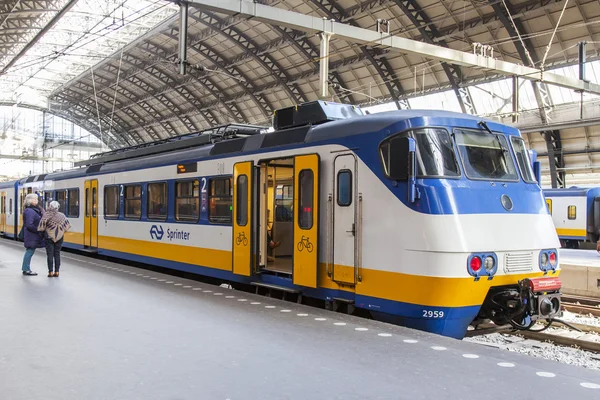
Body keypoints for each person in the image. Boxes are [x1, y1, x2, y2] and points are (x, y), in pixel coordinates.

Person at [38, 201, 71, 277]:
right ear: (58, 207)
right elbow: (67, 226)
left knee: (50, 254)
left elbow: (41, 227)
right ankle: (57, 272)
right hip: (59, 238)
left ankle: (50, 272)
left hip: (48, 237)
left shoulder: (46, 215)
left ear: (50, 206)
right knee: (57, 254)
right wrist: (60, 232)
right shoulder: (62, 215)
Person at [21, 193, 45, 276]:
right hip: (31, 235)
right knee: (30, 251)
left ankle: (26, 268)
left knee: (30, 251)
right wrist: (38, 230)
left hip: (33, 235)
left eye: (36, 199)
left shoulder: (34, 210)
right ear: (29, 201)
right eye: (34, 199)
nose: (36, 201)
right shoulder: (30, 211)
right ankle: (26, 269)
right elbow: (29, 224)